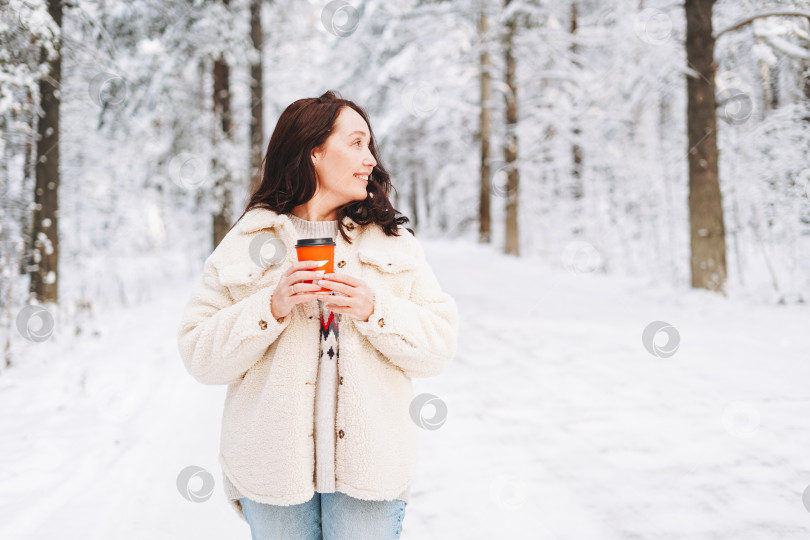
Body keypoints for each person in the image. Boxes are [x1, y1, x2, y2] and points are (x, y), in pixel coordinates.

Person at [176, 90, 459, 539]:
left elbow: (439, 348)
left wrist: (375, 309)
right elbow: (198, 355)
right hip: (272, 474)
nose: (370, 159)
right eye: (356, 143)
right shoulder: (249, 240)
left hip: (371, 474)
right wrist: (269, 307)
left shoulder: (392, 242)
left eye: (369, 145)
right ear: (313, 151)